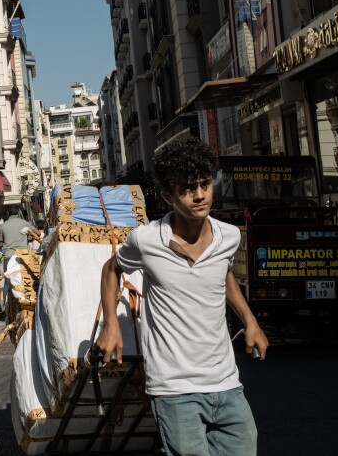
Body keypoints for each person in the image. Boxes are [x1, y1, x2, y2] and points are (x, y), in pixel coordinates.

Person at [95, 136, 268, 456]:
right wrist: (111, 325)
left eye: (205, 184)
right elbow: (111, 269)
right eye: (188, 189)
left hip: (227, 385)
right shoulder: (146, 240)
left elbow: (223, 277)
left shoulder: (229, 237)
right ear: (167, 195)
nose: (200, 195)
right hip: (174, 390)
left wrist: (251, 320)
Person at [0, 205, 31, 306]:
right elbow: (37, 233)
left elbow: (0, 243)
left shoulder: (3, 225)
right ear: (18, 213)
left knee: (7, 281)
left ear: (8, 214)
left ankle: (6, 305)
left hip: (9, 256)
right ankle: (26, 301)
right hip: (22, 256)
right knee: (25, 278)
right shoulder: (24, 223)